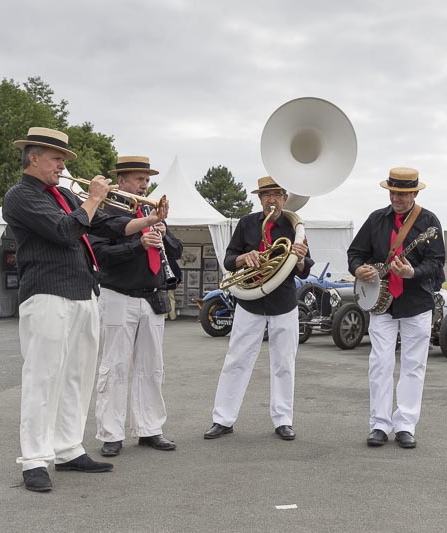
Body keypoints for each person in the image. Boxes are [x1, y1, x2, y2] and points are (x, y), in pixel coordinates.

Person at [2, 128, 168, 493]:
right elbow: (64, 231)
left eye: (62, 160)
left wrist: (149, 220)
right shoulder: (20, 196)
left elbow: (107, 225)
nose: (62, 166)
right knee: (43, 376)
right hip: (46, 293)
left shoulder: (61, 193)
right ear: (34, 158)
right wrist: (92, 198)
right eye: (56, 159)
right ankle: (34, 459)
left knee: (78, 375)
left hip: (82, 293)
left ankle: (67, 448)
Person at [204, 176, 312, 441]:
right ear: (259, 198)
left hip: (284, 302)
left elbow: (306, 267)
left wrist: (298, 258)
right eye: (266, 195)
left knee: (284, 363)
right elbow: (229, 260)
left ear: (285, 198)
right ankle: (223, 419)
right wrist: (243, 257)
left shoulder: (294, 226)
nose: (271, 200)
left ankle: (283, 420)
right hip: (250, 302)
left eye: (276, 194)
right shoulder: (246, 223)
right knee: (236, 360)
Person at [90, 156, 183, 457]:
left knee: (151, 367)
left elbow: (178, 251)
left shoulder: (150, 211)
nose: (145, 184)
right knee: (114, 366)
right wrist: (137, 245)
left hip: (152, 295)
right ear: (121, 182)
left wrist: (164, 234)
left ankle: (149, 429)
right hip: (118, 294)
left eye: (146, 179)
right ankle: (111, 433)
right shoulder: (105, 210)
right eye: (138, 179)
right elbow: (100, 254)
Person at [347, 167, 445, 449]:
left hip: (416, 302)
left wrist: (412, 272)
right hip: (382, 304)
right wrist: (359, 269)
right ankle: (379, 424)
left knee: (414, 365)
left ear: (415, 193)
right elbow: (355, 253)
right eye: (393, 192)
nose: (397, 198)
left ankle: (405, 425)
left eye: (403, 193)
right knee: (380, 363)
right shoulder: (376, 219)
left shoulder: (429, 221)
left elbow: (437, 262)